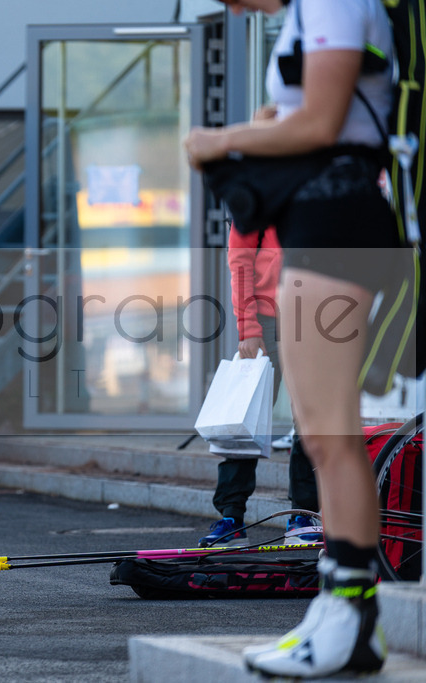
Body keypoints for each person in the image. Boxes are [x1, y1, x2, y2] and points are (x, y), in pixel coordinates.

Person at [185, 0, 399, 677]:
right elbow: (302, 116)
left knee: (330, 431)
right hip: (322, 220)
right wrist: (260, 128)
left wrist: (217, 142)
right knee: (322, 431)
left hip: (338, 219)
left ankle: (349, 609)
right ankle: (343, 612)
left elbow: (322, 121)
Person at [199, 222, 321, 548]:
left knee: (312, 419)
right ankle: (231, 518)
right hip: (268, 321)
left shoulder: (319, 179)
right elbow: (240, 259)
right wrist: (248, 326)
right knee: (245, 419)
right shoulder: (260, 189)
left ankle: (303, 515)